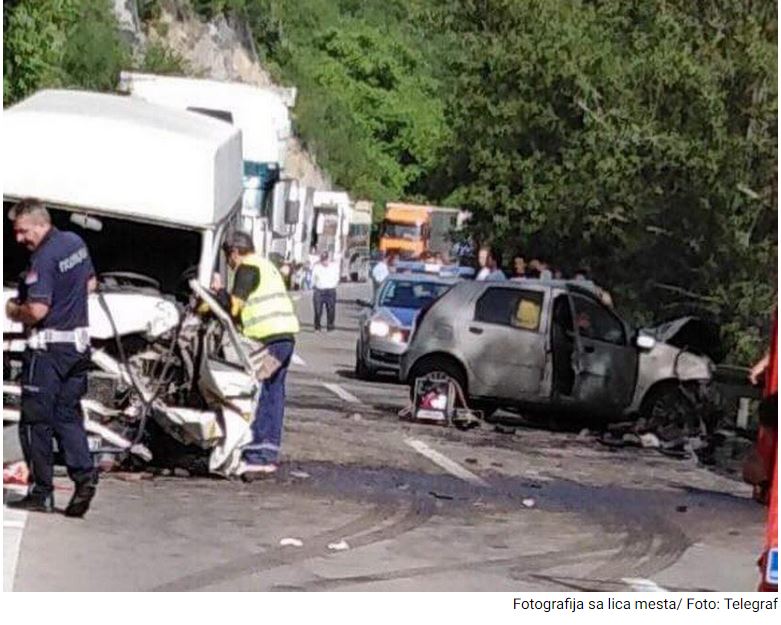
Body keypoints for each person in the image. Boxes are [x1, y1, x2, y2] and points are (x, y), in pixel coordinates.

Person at [5, 198, 98, 516]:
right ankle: (85, 476)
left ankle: (41, 491)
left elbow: (37, 310)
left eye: (22, 232)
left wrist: (13, 310)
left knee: (34, 423)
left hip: (47, 352)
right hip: (78, 348)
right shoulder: (75, 242)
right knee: (68, 415)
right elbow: (90, 284)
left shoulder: (42, 258)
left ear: (40, 223)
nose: (19, 239)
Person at [211, 231, 300, 479]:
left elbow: (235, 307)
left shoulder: (247, 268)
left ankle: (257, 456)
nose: (229, 264)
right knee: (273, 394)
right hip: (284, 338)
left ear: (235, 252)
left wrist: (218, 293)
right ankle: (266, 453)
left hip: (269, 340)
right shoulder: (266, 265)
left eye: (229, 258)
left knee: (256, 393)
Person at [311, 250, 340, 331]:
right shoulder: (316, 266)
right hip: (319, 290)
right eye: (323, 260)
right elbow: (313, 278)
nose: (324, 262)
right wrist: (313, 285)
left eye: (326, 260)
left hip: (330, 290)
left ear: (328, 259)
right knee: (317, 310)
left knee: (331, 310)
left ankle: (330, 326)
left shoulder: (334, 266)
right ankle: (317, 326)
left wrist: (334, 284)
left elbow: (337, 277)